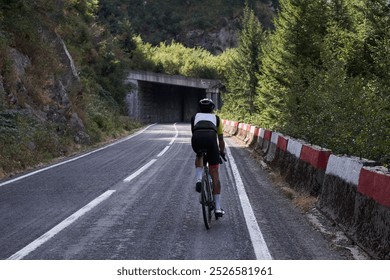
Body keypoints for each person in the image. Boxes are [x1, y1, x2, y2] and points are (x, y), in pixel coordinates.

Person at [191, 98, 226, 217]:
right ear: (212, 109)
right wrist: (222, 152)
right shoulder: (216, 118)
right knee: (215, 173)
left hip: (197, 138)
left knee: (199, 154)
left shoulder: (194, 117)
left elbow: (194, 132)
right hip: (211, 140)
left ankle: (199, 179)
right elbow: (220, 139)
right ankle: (217, 208)